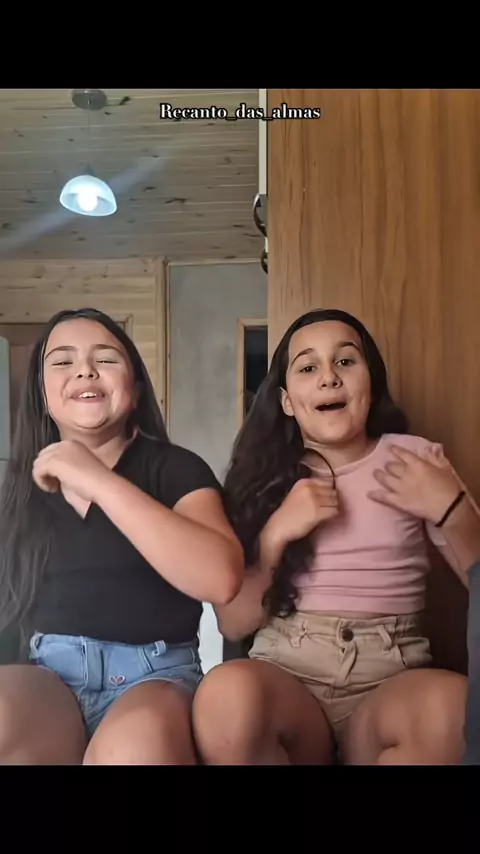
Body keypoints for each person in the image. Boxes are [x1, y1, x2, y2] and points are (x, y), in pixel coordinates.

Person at [192, 308, 468, 765]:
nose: (328, 378)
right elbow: (233, 624)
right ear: (286, 401)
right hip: (288, 672)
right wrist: (277, 533)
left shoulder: (416, 459)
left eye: (345, 361)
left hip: (392, 675)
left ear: (370, 383)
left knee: (451, 710)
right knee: (225, 696)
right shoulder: (259, 480)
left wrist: (451, 506)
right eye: (307, 367)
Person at [0, 307, 244, 765]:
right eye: (63, 361)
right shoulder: (18, 490)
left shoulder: (176, 469)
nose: (85, 370)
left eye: (105, 358)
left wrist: (98, 480)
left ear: (135, 390)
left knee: (136, 748)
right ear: (43, 394)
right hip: (50, 675)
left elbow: (221, 578)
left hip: (156, 676)